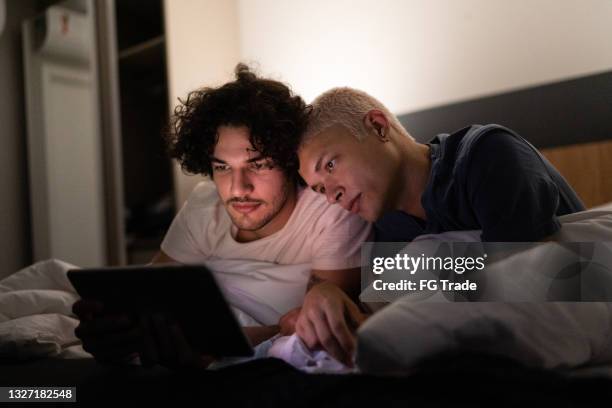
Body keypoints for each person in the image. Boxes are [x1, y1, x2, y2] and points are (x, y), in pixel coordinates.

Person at [72, 67, 371, 369]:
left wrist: (210, 346)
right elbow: (152, 292)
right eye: (223, 167)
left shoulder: (330, 207)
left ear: (289, 161)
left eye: (259, 164)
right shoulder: (204, 204)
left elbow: (313, 326)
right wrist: (119, 330)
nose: (238, 188)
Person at [293, 86, 585, 363]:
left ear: (379, 127)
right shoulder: (385, 228)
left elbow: (528, 293)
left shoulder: (488, 155)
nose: (332, 195)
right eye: (320, 190)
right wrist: (326, 292)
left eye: (330, 165)